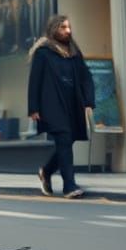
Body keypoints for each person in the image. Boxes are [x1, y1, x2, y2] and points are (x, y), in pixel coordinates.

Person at [28, 14, 95, 199]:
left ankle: (46, 171)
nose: (68, 31)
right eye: (63, 27)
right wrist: (33, 108)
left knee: (66, 142)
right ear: (54, 30)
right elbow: (35, 81)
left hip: (73, 105)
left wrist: (89, 101)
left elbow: (85, 77)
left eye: (69, 27)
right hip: (52, 105)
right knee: (64, 139)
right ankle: (69, 186)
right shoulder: (43, 53)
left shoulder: (74, 52)